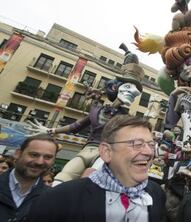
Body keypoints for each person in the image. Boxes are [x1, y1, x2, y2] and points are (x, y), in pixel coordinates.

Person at [27, 44, 144, 185]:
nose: (131, 92)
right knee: (63, 176)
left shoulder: (126, 119)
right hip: (87, 149)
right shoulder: (97, 110)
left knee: (92, 178)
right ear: (114, 88)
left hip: (108, 153)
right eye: (126, 87)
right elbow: (76, 125)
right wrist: (51, 130)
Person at [28, 115, 167, 222]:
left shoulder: (157, 195)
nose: (148, 152)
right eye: (137, 144)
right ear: (106, 152)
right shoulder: (58, 198)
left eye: (150, 144)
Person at [0, 135, 59, 222]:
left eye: (48, 157)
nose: (39, 162)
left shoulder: (53, 199)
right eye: (34, 155)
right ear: (18, 154)